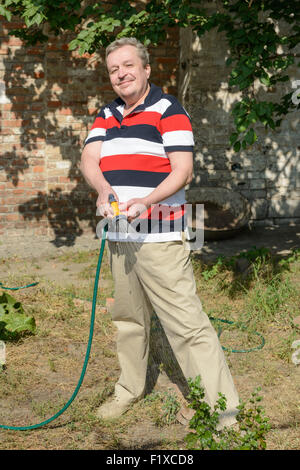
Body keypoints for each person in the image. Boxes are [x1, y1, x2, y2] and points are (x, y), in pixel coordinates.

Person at [80, 37, 239, 428]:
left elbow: (182, 170)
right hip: (119, 236)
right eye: (114, 69)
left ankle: (222, 412)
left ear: (146, 69)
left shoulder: (169, 109)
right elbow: (88, 158)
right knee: (129, 319)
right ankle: (130, 389)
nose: (122, 74)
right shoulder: (106, 113)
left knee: (185, 322)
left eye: (128, 65)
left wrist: (148, 201)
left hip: (159, 235)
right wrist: (103, 188)